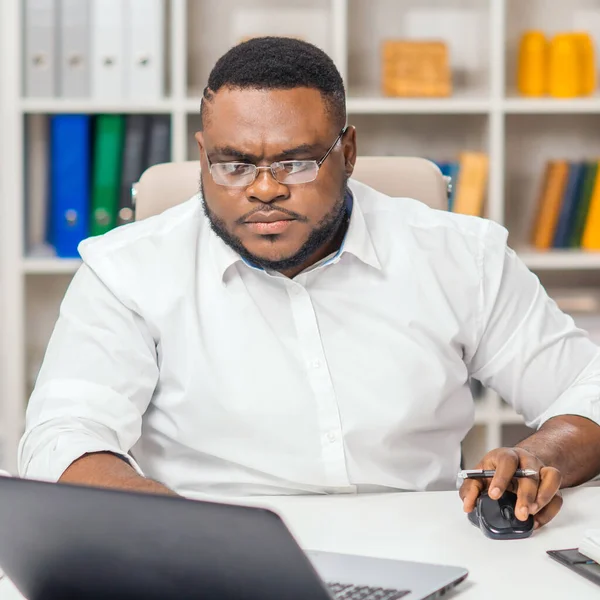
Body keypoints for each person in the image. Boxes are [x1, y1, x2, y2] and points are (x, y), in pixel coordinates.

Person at [20, 37, 600, 529]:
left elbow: (586, 389)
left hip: (429, 544)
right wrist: (181, 532)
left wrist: (536, 456)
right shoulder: (127, 268)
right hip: (216, 555)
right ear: (202, 157)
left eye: (296, 163)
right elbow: (64, 437)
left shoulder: (460, 255)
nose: (264, 188)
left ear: (347, 151)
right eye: (233, 164)